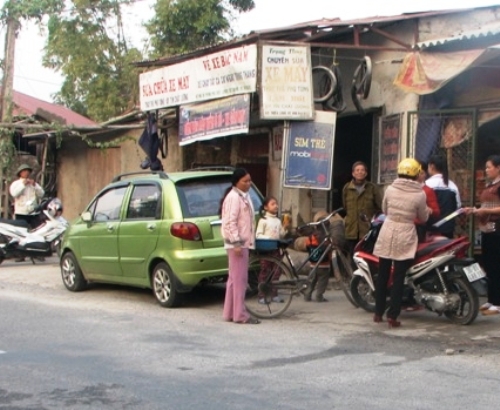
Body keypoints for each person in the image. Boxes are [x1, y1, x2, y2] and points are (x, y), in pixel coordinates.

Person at [373, 158, 432, 328]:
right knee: (399, 277)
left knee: (383, 274)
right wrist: (425, 211)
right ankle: (393, 316)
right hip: (406, 233)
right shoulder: (420, 194)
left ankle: (378, 313)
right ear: (416, 174)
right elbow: (423, 217)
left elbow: (384, 210)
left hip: (388, 231)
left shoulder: (390, 189)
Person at [221, 168, 260, 324]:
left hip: (242, 242)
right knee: (240, 281)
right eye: (245, 181)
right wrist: (236, 242)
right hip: (238, 244)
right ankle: (240, 315)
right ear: (236, 182)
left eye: (250, 180)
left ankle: (230, 312)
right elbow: (230, 222)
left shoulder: (244, 196)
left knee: (233, 279)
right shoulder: (233, 198)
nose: (248, 183)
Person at [464, 155, 500, 316]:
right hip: (486, 229)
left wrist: (486, 211)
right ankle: (492, 299)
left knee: (496, 265)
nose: (486, 170)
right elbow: (485, 205)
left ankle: (498, 302)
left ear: (498, 168)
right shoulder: (490, 185)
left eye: (489, 167)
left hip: (496, 229)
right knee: (490, 265)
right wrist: (475, 210)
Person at [342, 161, 382, 254]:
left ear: (366, 173)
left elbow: (379, 207)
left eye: (362, 170)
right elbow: (345, 207)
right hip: (351, 229)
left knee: (366, 255)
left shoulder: (372, 188)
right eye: (357, 170)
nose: (360, 172)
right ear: (353, 173)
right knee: (352, 255)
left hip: (367, 230)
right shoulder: (346, 188)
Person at [255, 196, 290, 304]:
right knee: (265, 271)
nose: (276, 206)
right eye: (273, 204)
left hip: (275, 249)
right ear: (266, 207)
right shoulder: (263, 220)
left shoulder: (277, 221)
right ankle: (261, 296)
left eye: (276, 204)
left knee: (276, 271)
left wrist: (285, 227)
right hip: (265, 250)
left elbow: (280, 235)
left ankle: (274, 294)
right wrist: (269, 239)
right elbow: (258, 235)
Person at [425, 155, 461, 238]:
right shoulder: (452, 186)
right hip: (448, 228)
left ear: (432, 166)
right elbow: (458, 206)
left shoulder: (426, 185)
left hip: (430, 228)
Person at [9, 164, 45, 228]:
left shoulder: (33, 183)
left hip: (33, 213)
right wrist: (23, 185)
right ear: (20, 173)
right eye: (25, 171)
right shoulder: (16, 183)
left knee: (37, 230)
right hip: (21, 213)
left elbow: (42, 194)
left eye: (28, 171)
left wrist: (35, 185)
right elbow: (14, 194)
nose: (27, 172)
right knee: (21, 231)